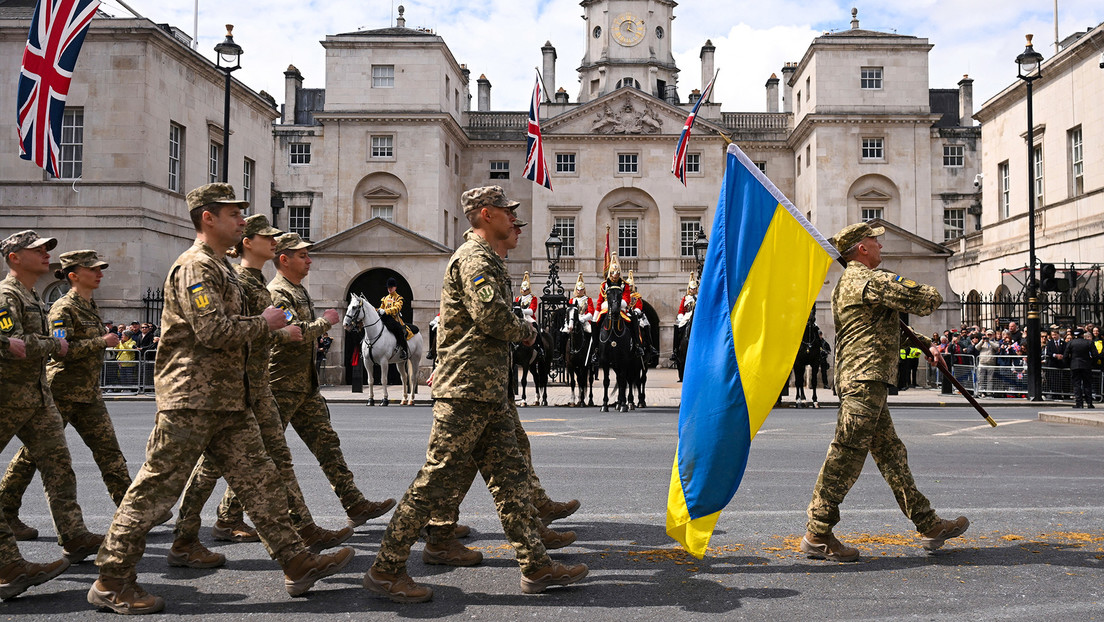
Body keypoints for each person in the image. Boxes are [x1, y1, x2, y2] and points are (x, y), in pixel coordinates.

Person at [88, 184, 353, 614]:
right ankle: (111, 580)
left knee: (262, 482)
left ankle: (296, 561)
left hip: (229, 398)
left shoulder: (220, 268)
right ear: (208, 218)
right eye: (234, 214)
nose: (242, 221)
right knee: (155, 491)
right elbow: (213, 331)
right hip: (191, 398)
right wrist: (265, 323)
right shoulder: (195, 267)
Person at [363, 185, 587, 603]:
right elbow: (492, 316)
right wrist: (527, 331)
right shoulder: (473, 259)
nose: (513, 218)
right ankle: (386, 568)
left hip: (487, 391)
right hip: (467, 390)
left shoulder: (486, 258)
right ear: (487, 213)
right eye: (507, 211)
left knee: (512, 479)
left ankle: (536, 566)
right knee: (435, 481)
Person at [168, 213, 353, 570]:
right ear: (247, 243)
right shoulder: (233, 279)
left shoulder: (253, 283)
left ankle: (301, 535)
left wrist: (277, 331)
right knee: (205, 469)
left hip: (256, 387)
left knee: (275, 463)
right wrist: (278, 330)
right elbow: (222, 332)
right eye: (266, 237)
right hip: (230, 389)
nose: (274, 242)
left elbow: (256, 332)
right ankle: (183, 537)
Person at [802, 222, 969, 563]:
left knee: (891, 454)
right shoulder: (871, 280)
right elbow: (928, 299)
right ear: (862, 248)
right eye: (875, 241)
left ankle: (928, 523)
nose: (881, 246)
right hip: (865, 380)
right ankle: (817, 532)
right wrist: (905, 284)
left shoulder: (847, 283)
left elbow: (883, 326)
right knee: (846, 453)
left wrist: (925, 344)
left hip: (861, 378)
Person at [0, 250, 158, 543]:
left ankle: (132, 511)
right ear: (74, 275)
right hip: (62, 390)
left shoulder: (90, 305)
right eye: (93, 269)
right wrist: (101, 342)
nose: (100, 274)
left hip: (88, 392)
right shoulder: (63, 308)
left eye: (100, 269)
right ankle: (7, 510)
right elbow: (62, 351)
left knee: (109, 452)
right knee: (32, 457)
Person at [0, 231, 104, 599]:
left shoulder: (31, 296)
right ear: (14, 257)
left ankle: (74, 536)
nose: (47, 254)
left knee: (59, 465)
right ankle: (8, 565)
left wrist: (43, 346)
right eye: (38, 249)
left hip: (37, 396)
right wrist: (54, 344)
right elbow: (12, 346)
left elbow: (24, 344)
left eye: (47, 249)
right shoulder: (7, 296)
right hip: (7, 396)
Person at [269, 232, 396, 528]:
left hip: (304, 384)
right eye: (303, 256)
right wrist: (325, 322)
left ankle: (354, 503)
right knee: (266, 452)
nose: (309, 260)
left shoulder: (298, 290)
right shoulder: (278, 293)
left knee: (327, 444)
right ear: (284, 260)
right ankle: (229, 516)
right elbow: (295, 332)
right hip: (281, 385)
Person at [1064, 328, 1099, 409]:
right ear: (1083, 335)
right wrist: (1091, 363)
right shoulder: (1088, 343)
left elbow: (1065, 356)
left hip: (1075, 365)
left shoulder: (1071, 343)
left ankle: (1079, 403)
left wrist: (1069, 364)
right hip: (1086, 365)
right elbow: (1095, 355)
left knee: (1077, 385)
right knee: (1087, 384)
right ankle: (1089, 403)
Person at [379, 278, 413, 360]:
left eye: (391, 287)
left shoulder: (398, 298)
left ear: (395, 288)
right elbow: (381, 307)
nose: (389, 289)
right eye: (388, 287)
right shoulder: (385, 298)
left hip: (394, 319)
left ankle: (404, 350)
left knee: (399, 331)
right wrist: (379, 310)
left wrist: (386, 311)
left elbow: (397, 308)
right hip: (385, 318)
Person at [673, 273, 697, 359]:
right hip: (687, 316)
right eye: (691, 288)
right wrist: (681, 317)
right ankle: (676, 350)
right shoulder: (685, 298)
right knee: (679, 327)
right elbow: (681, 310)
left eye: (694, 288)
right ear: (689, 289)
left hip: (697, 316)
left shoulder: (699, 297)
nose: (693, 290)